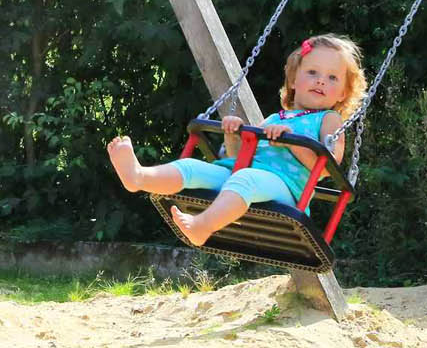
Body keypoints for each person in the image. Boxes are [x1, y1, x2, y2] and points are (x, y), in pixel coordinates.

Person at [105, 34, 366, 246]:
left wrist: (290, 142)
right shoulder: (275, 118)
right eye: (312, 72)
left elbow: (329, 164)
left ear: (343, 93)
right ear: (294, 79)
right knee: (194, 168)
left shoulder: (328, 120)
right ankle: (138, 177)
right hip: (246, 177)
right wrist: (235, 134)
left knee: (244, 179)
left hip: (287, 190)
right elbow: (243, 156)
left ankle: (202, 226)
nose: (321, 80)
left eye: (332, 78)